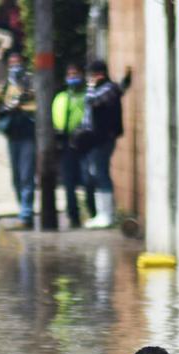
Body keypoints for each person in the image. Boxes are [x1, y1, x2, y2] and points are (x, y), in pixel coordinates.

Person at [0, 52, 36, 228]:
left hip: (28, 132)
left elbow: (35, 100)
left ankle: (26, 215)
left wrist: (21, 102)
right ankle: (23, 210)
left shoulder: (30, 81)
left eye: (17, 62)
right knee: (16, 177)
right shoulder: (5, 84)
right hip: (12, 134)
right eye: (11, 63)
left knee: (26, 175)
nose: (15, 66)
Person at [81, 60, 124, 228]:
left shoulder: (108, 89)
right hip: (95, 139)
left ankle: (107, 214)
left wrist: (91, 86)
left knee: (101, 173)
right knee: (96, 173)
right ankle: (101, 213)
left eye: (92, 74)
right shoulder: (102, 88)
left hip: (103, 139)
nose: (90, 78)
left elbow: (91, 101)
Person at [52, 63, 95, 228]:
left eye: (75, 73)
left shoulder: (87, 96)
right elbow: (57, 120)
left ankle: (92, 212)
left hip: (84, 142)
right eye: (69, 74)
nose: (72, 77)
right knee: (68, 182)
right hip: (66, 143)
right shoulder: (61, 97)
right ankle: (73, 216)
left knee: (87, 179)